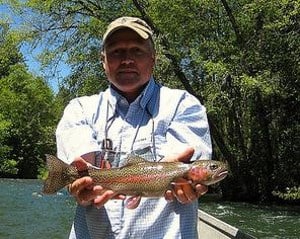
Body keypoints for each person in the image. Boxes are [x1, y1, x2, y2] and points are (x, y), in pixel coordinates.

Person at [56, 16, 212, 239]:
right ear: (103, 60)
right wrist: (83, 183)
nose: (127, 59)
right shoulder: (80, 108)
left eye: (137, 51)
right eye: (117, 51)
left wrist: (184, 179)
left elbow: (189, 165)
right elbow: (82, 162)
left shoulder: (184, 105)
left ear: (153, 59)